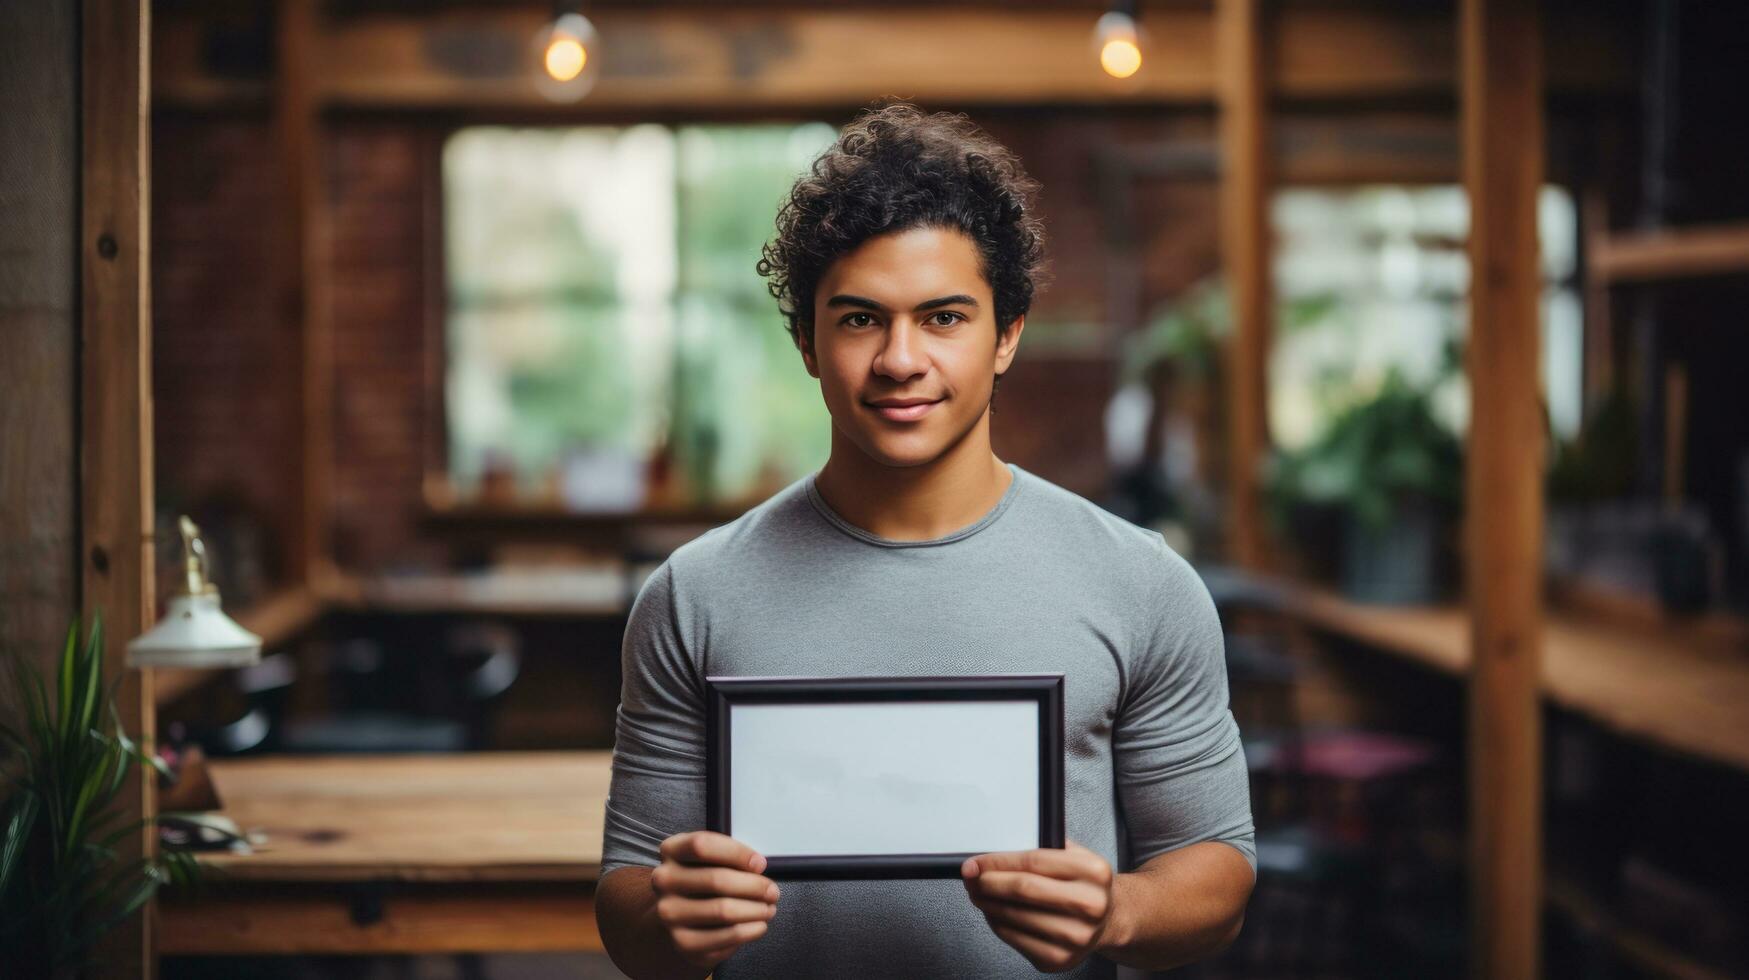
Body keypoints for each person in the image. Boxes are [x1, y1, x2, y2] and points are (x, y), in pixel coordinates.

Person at [595, 104, 1255, 979]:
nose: (900, 359)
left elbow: (1216, 868)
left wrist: (1119, 910)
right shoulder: (694, 593)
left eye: (943, 318)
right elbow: (626, 899)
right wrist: (665, 914)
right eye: (860, 319)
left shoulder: (1139, 583)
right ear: (806, 342)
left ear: (1006, 335)